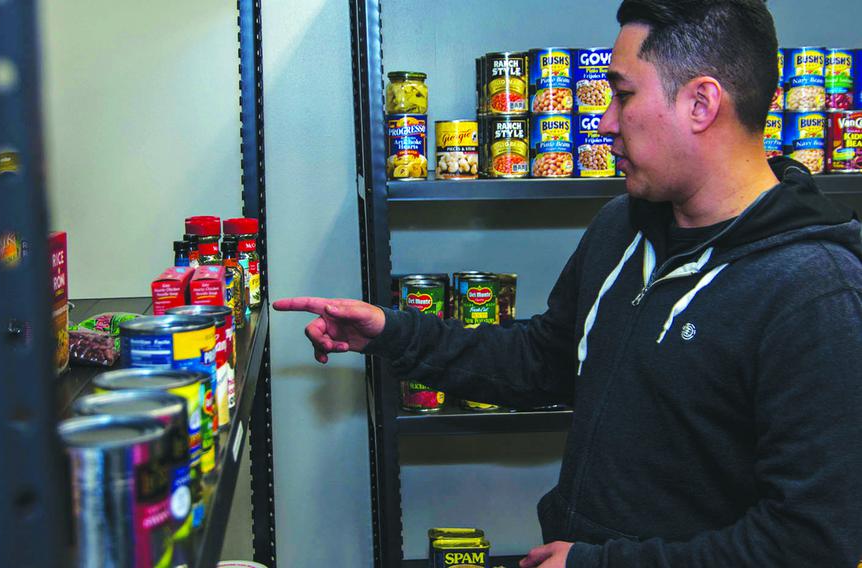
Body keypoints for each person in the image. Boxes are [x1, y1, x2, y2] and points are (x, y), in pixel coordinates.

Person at [275, 0, 862, 565]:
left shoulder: (813, 291)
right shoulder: (622, 227)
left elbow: (808, 544)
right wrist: (391, 333)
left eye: (623, 94)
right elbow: (543, 360)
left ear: (701, 103)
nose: (604, 121)